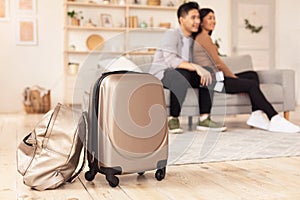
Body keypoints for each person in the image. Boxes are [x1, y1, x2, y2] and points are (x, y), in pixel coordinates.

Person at [193, 8, 300, 133]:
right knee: (250, 84)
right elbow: (218, 63)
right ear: (201, 22)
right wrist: (233, 78)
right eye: (210, 18)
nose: (214, 21)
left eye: (214, 18)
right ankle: (274, 117)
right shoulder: (203, 38)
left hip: (217, 77)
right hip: (213, 82)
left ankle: (256, 114)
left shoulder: (204, 37)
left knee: (251, 75)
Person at [149, 2, 226, 133]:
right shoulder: (172, 34)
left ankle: (204, 119)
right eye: (193, 17)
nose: (197, 21)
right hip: (163, 74)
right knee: (181, 74)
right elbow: (172, 61)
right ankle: (173, 118)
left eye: (198, 18)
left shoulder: (193, 39)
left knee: (208, 73)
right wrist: (196, 67)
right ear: (181, 19)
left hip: (184, 74)